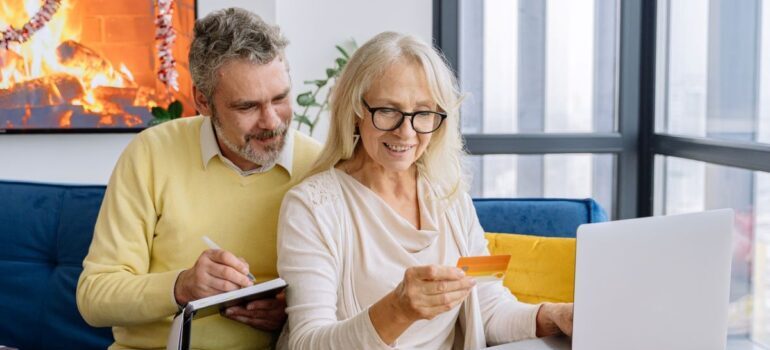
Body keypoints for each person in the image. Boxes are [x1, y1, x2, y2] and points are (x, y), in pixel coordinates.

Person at [276, 31, 573, 350]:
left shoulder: (449, 195)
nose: (406, 132)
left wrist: (554, 314)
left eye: (423, 113)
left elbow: (489, 308)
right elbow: (306, 342)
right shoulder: (312, 207)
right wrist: (397, 310)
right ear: (355, 110)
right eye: (388, 110)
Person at [76, 8, 321, 350]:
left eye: (279, 98)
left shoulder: (322, 166)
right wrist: (180, 287)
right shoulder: (152, 153)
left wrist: (293, 313)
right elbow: (94, 296)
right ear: (203, 101)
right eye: (247, 107)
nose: (271, 122)